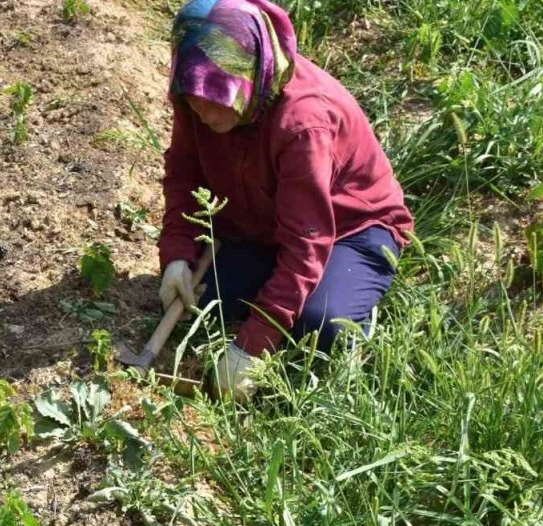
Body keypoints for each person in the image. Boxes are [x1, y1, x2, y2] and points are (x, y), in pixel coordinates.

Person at [158, 0, 414, 402]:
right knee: (205, 301)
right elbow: (183, 174)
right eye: (195, 98)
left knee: (321, 326)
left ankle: (353, 307)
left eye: (218, 97)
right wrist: (177, 254)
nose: (203, 112)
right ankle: (275, 296)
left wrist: (251, 347)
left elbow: (306, 241)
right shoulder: (195, 90)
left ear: (249, 78)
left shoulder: (303, 125)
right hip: (263, 222)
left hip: (348, 229)